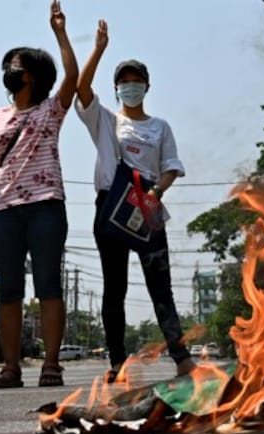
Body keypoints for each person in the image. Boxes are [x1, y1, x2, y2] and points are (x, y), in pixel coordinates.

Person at [75, 20, 196, 382]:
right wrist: (97, 49)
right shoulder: (105, 121)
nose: (131, 86)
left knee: (160, 286)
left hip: (148, 207)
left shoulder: (160, 127)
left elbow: (172, 167)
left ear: (146, 86)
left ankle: (181, 357)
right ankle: (118, 362)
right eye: (124, 81)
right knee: (115, 288)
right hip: (111, 208)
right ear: (116, 88)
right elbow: (81, 88)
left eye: (136, 80)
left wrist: (156, 193)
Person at [0, 0, 77, 389]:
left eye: (14, 66)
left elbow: (73, 74)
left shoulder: (51, 110)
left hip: (46, 204)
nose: (8, 72)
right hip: (4, 210)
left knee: (48, 283)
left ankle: (51, 365)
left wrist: (60, 33)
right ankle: (10, 368)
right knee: (9, 289)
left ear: (31, 75)